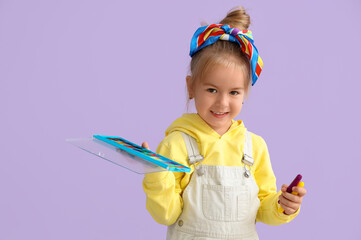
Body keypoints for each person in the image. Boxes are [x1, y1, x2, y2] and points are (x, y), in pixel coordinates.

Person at [142, 6, 307, 240]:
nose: (222, 102)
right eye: (211, 90)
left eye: (234, 92)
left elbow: (263, 209)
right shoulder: (175, 144)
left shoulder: (255, 147)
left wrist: (282, 205)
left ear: (246, 93)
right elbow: (166, 215)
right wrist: (156, 173)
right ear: (191, 87)